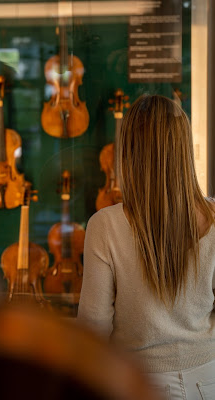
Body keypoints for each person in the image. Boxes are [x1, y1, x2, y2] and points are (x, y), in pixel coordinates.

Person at [78, 94, 215, 400]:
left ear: (128, 151)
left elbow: (93, 329)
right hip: (207, 381)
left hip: (135, 384)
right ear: (183, 148)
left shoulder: (105, 225)